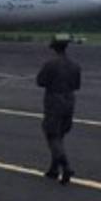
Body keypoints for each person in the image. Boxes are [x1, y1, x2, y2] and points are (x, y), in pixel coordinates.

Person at [36, 34, 81, 185]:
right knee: (60, 135)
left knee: (52, 135)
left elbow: (40, 81)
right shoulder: (75, 65)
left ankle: (65, 166)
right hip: (70, 100)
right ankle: (53, 169)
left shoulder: (50, 64)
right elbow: (77, 85)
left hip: (54, 100)